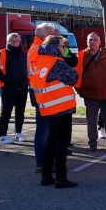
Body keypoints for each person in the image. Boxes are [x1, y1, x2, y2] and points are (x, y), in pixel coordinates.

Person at [28, 23, 77, 172]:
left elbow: (73, 60)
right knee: (45, 131)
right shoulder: (37, 51)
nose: (58, 36)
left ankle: (48, 165)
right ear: (45, 36)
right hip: (45, 95)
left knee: (51, 134)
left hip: (47, 94)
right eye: (55, 34)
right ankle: (42, 163)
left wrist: (65, 47)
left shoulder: (51, 50)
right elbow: (70, 74)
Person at [35, 35, 80, 188]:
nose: (64, 49)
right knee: (62, 143)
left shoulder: (41, 62)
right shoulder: (57, 63)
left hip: (48, 107)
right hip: (61, 107)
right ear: (55, 47)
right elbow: (74, 77)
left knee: (51, 142)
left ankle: (46, 176)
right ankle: (61, 178)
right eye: (62, 46)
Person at [75, 32, 106, 152]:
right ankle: (92, 143)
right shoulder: (81, 56)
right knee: (91, 120)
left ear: (100, 42)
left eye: (95, 40)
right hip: (89, 94)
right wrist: (80, 91)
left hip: (105, 93)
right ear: (87, 42)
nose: (93, 42)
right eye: (90, 40)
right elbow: (77, 74)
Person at [0, 32, 29, 144]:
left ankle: (18, 133)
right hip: (8, 88)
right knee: (6, 111)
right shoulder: (1, 53)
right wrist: (7, 80)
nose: (15, 42)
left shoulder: (23, 55)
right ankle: (2, 135)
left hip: (22, 87)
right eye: (12, 41)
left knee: (20, 111)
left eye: (16, 40)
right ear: (8, 42)